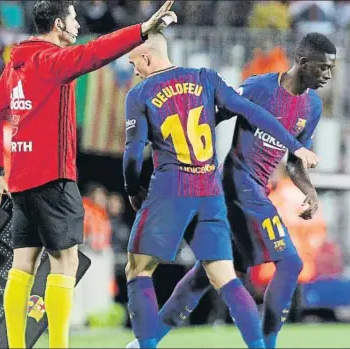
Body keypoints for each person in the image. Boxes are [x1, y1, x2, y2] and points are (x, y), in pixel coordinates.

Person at [0, 1, 177, 347]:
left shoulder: (16, 67)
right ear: (58, 24)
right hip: (53, 180)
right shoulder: (51, 62)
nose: (78, 26)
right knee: (65, 263)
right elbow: (97, 53)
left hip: (21, 182)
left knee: (22, 265)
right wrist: (142, 29)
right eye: (72, 19)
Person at [127, 32, 336, 349]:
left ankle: (150, 339)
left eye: (331, 68)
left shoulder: (314, 107)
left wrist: (310, 190)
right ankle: (267, 343)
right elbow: (209, 115)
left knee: (206, 276)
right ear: (304, 63)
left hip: (256, 189)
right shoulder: (258, 88)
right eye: (323, 68)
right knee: (290, 263)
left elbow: (294, 161)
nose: (328, 75)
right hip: (237, 183)